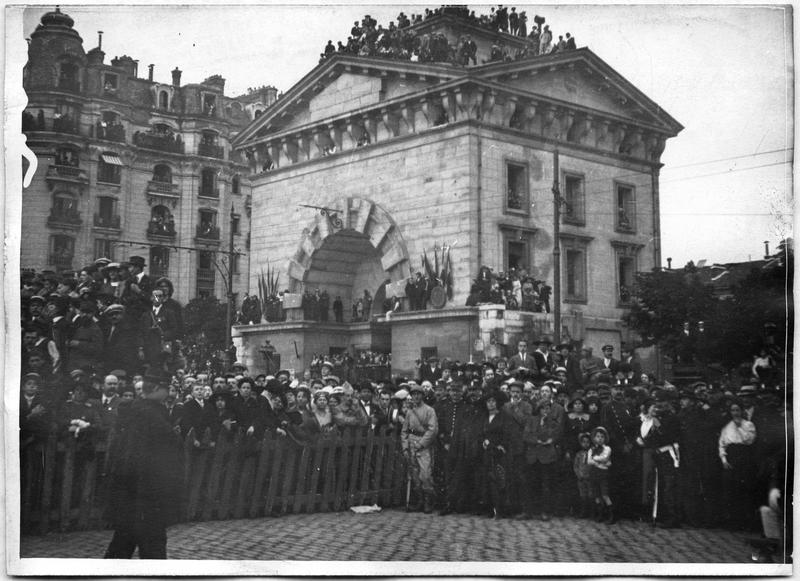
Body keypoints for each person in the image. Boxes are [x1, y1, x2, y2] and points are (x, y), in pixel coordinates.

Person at [104, 374, 184, 559]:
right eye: (167, 388)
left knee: (123, 542)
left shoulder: (139, 410)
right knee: (152, 545)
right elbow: (163, 448)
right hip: (147, 494)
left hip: (134, 494)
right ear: (156, 389)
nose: (169, 393)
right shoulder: (150, 413)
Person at [401, 383, 438, 513]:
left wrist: (421, 444)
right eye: (413, 394)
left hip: (424, 446)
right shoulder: (410, 412)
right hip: (412, 444)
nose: (416, 397)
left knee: (425, 474)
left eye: (418, 394)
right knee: (414, 475)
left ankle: (429, 501)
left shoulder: (429, 410)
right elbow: (404, 431)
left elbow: (432, 430)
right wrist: (405, 447)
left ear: (422, 396)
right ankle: (420, 501)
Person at [587, 426, 615, 524]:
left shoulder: (607, 448)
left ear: (605, 438)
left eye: (602, 437)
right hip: (594, 473)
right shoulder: (591, 449)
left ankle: (611, 515)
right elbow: (589, 461)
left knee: (605, 494)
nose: (599, 438)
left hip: (603, 474)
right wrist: (596, 461)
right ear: (594, 438)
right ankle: (600, 514)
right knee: (596, 495)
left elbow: (605, 458)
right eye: (597, 436)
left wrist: (596, 459)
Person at [573, 432, 594, 518]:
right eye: (583, 442)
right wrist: (578, 474)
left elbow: (594, 465)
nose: (585, 444)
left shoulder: (592, 453)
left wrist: (591, 475)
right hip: (581, 478)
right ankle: (583, 512)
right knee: (582, 495)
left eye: (587, 442)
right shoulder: (578, 454)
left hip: (589, 478)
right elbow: (576, 466)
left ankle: (592, 512)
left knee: (591, 495)